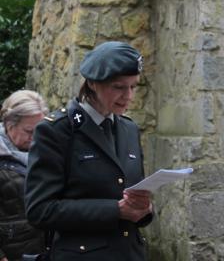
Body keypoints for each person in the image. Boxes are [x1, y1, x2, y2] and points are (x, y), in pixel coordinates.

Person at [25, 41, 153, 261]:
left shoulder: (129, 128)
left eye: (134, 86)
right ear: (93, 83)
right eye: (119, 87)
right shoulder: (56, 130)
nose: (129, 96)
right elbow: (40, 210)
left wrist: (144, 209)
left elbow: (131, 191)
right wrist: (116, 210)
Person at [0, 90, 48, 261]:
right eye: (29, 131)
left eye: (40, 130)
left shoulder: (48, 151)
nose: (36, 138)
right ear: (9, 124)